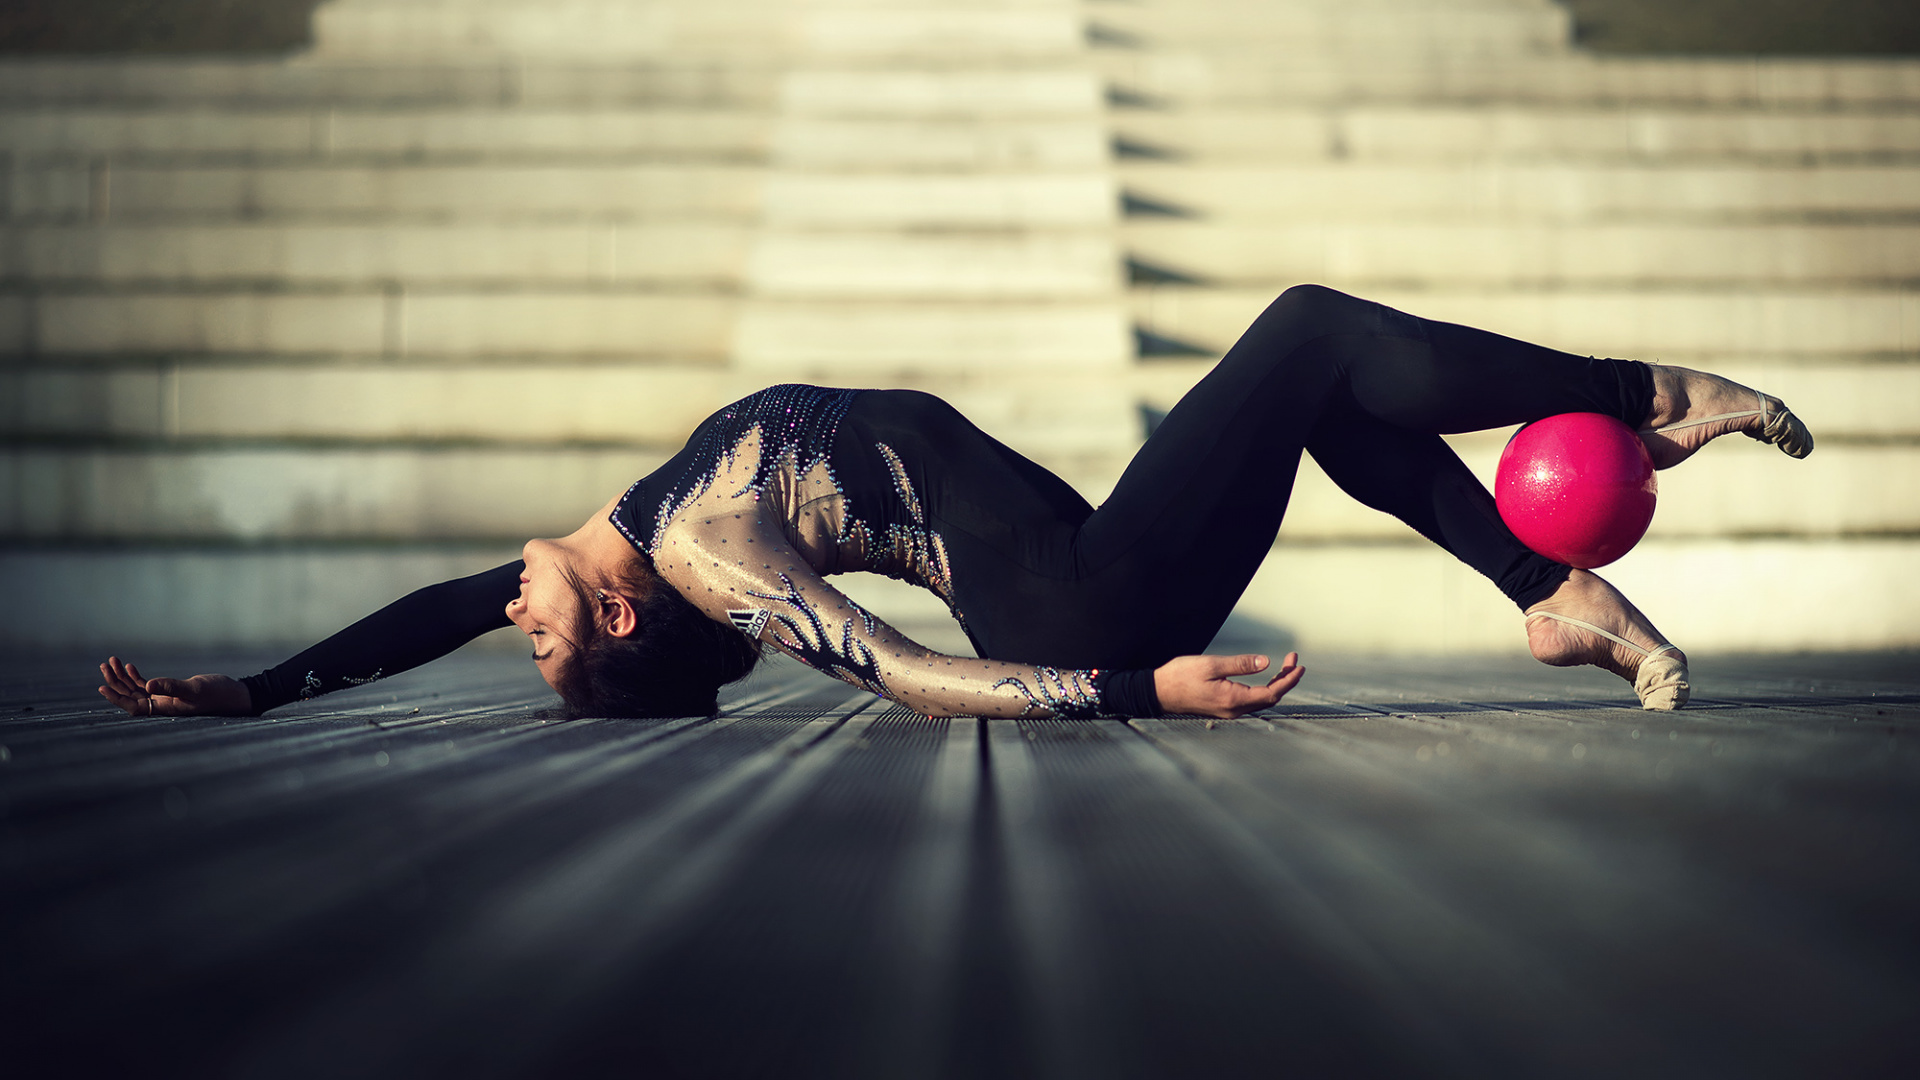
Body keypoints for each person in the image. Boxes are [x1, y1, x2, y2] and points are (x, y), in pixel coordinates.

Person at [96, 285, 1812, 721]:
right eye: (535, 638)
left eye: (511, 624)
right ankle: (1634, 400)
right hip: (1086, 611)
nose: (503, 612)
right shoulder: (702, 549)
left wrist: (252, 690)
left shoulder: (621, 539)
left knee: (1327, 397)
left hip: (1086, 564)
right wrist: (1135, 690)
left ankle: (1551, 590)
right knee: (1301, 337)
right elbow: (898, 674)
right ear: (618, 616)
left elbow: (425, 617)